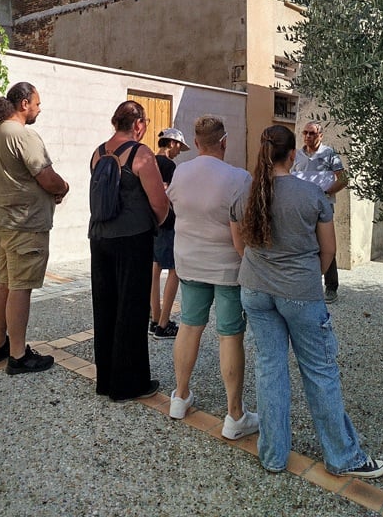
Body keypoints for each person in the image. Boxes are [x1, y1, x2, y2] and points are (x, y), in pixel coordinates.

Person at [230, 125, 383, 478]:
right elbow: (329, 250)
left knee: (270, 369)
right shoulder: (311, 194)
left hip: (254, 289)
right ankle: (342, 456)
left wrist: (259, 270)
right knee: (319, 371)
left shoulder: (245, 192)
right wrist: (306, 278)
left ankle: (272, 455)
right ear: (292, 155)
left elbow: (239, 244)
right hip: (299, 293)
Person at [167, 115, 258, 441]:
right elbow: (246, 225)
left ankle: (180, 396)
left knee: (190, 326)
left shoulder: (180, 172)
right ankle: (235, 414)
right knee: (230, 335)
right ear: (224, 141)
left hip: (190, 264)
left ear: (197, 142)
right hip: (228, 268)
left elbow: (173, 205)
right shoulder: (238, 177)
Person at [0, 82, 70, 375]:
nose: (39, 108)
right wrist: (64, 187)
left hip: (3, 220)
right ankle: (18, 356)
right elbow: (47, 177)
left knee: (5, 282)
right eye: (37, 103)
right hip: (24, 224)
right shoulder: (22, 135)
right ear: (24, 104)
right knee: (21, 288)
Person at [88, 100, 170, 401]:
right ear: (137, 125)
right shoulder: (141, 154)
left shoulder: (98, 153)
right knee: (132, 309)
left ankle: (106, 380)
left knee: (105, 307)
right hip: (133, 238)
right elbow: (159, 203)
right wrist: (156, 223)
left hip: (100, 238)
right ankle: (130, 384)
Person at [291, 121, 348, 303]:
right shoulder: (297, 155)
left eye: (312, 133)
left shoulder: (329, 154)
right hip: (302, 207)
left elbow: (344, 178)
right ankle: (305, 284)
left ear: (320, 136)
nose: (308, 136)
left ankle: (331, 287)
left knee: (326, 245)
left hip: (323, 206)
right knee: (303, 244)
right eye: (305, 133)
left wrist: (326, 192)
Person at [149, 128, 190, 340]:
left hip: (151, 222)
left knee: (154, 268)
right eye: (179, 147)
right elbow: (171, 195)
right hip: (168, 221)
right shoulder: (169, 166)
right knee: (175, 269)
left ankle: (155, 318)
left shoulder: (148, 161)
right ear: (172, 144)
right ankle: (164, 324)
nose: (179, 152)